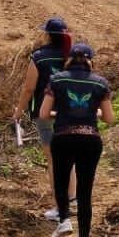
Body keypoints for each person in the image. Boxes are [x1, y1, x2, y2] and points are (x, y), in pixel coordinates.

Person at [37, 42, 114, 237]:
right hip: (90, 141)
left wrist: (59, 113)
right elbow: (109, 118)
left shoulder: (56, 80)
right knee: (85, 192)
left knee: (61, 182)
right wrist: (94, 113)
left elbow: (43, 114)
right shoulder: (101, 84)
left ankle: (63, 221)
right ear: (91, 61)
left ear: (69, 59)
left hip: (63, 137)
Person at [13, 16, 73, 219]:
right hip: (69, 113)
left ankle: (60, 209)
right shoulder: (71, 56)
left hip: (45, 114)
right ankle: (71, 201)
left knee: (53, 160)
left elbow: (29, 88)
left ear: (48, 35)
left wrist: (19, 111)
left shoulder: (38, 57)